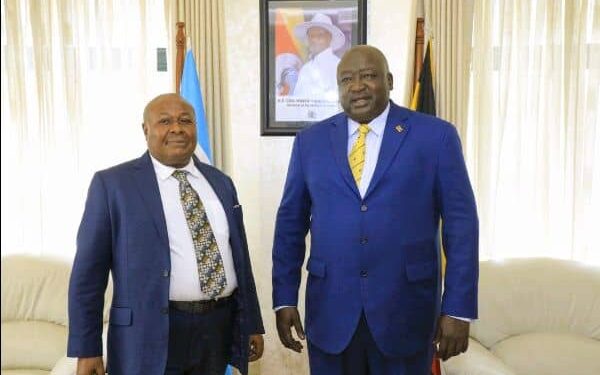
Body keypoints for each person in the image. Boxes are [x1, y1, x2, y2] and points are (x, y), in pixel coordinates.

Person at [272, 45, 479, 375]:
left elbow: (462, 227)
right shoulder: (310, 142)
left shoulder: (436, 136)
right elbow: (290, 226)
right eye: (346, 79)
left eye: (369, 76)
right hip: (330, 312)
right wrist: (284, 298)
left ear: (390, 80)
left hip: (406, 311)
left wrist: (459, 308)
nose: (357, 86)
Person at [68, 93, 264, 375]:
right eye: (165, 121)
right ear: (145, 130)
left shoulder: (220, 182)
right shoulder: (113, 186)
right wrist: (87, 348)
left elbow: (240, 259)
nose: (177, 128)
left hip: (217, 329)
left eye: (186, 120)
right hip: (149, 332)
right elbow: (88, 275)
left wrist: (251, 324)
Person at [292, 13, 345, 102]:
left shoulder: (339, 66)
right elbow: (297, 100)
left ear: (329, 38)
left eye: (319, 35)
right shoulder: (305, 69)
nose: (314, 40)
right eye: (311, 36)